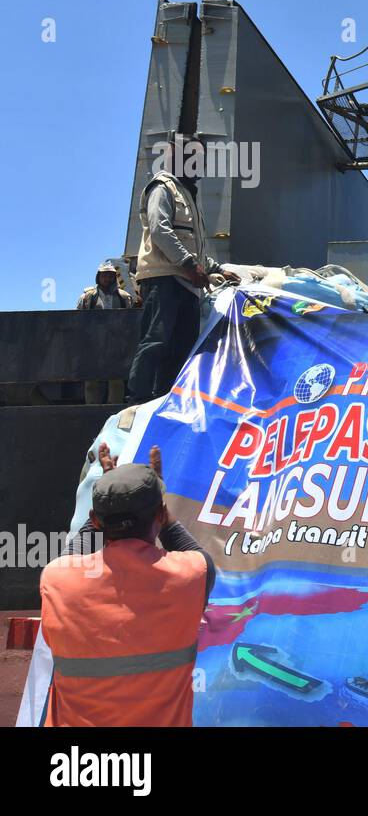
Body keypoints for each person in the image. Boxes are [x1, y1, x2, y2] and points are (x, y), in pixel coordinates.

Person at [39, 445, 213, 727]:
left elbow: (79, 548)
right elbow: (200, 557)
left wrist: (108, 498)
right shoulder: (192, 575)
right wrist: (160, 510)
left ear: (95, 519)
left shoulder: (57, 579)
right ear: (160, 514)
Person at [125, 165, 240, 403]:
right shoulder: (163, 187)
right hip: (163, 279)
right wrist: (189, 264)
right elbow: (160, 230)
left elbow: (194, 249)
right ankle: (137, 402)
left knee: (181, 348)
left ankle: (165, 399)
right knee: (156, 342)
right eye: (196, 164)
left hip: (187, 285)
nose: (200, 171)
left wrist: (216, 269)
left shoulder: (188, 195)